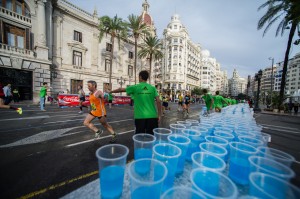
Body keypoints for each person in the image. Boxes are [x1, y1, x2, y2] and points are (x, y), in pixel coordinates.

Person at [110, 70, 162, 135]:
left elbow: (120, 89)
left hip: (140, 117)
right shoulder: (152, 88)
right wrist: (159, 115)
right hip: (152, 116)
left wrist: (111, 92)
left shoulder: (135, 87)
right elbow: (159, 101)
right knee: (151, 138)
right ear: (147, 78)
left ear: (140, 77)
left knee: (140, 138)